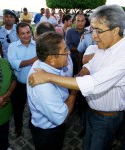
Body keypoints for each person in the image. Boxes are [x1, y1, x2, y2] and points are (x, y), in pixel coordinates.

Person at [29, 5, 125, 150]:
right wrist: (80, 75)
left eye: (98, 31)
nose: (93, 36)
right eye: (93, 30)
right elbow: (92, 64)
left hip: (107, 117)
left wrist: (48, 77)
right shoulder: (105, 44)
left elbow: (94, 83)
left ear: (115, 30)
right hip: (92, 112)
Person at [27, 31, 77, 150]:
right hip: (48, 132)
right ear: (51, 59)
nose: (68, 53)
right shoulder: (43, 86)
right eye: (64, 50)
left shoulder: (42, 64)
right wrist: (74, 91)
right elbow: (61, 116)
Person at [7, 22, 37, 137]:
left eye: (28, 32)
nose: (26, 35)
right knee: (18, 108)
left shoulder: (37, 45)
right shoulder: (12, 46)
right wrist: (32, 60)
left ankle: (32, 125)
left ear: (31, 32)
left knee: (35, 107)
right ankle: (18, 127)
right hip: (19, 84)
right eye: (23, 33)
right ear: (17, 34)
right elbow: (14, 64)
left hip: (35, 84)